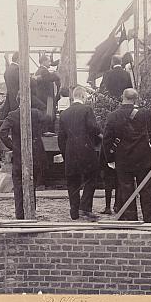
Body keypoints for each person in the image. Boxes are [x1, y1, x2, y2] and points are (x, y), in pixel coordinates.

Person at [102, 80, 151, 222]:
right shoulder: (143, 114)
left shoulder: (113, 116)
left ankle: (131, 219)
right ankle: (149, 219)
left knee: (126, 190)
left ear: (122, 98)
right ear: (135, 99)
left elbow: (106, 140)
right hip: (143, 158)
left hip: (122, 158)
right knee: (146, 189)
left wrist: (110, 159)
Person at [0, 95, 51, 219]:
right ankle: (31, 211)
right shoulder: (35, 113)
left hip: (19, 153)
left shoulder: (13, 115)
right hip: (35, 153)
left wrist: (12, 146)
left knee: (17, 183)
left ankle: (19, 213)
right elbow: (48, 118)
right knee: (31, 183)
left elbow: (2, 132)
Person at [58, 86, 101, 221]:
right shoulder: (87, 110)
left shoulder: (64, 114)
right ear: (83, 96)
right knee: (91, 178)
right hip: (86, 150)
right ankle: (85, 207)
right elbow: (94, 128)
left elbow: (61, 137)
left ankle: (74, 211)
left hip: (70, 152)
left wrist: (65, 153)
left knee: (72, 182)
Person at [34, 55, 61, 131]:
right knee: (49, 116)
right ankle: (48, 132)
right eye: (48, 61)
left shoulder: (39, 71)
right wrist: (58, 73)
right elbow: (50, 78)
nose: (50, 63)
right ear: (43, 61)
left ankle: (46, 131)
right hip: (47, 99)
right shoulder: (43, 71)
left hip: (43, 98)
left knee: (46, 115)